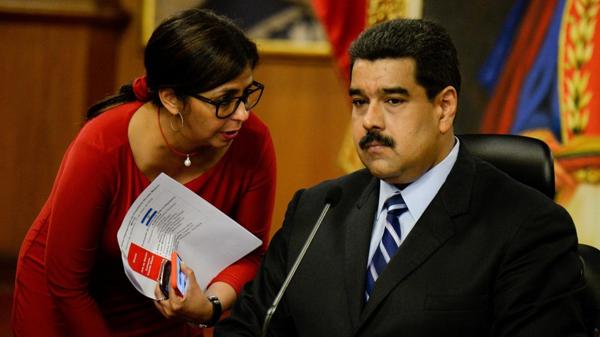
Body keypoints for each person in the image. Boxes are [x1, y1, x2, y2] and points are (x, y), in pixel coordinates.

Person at [213, 18, 586, 336]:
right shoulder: (317, 210)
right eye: (360, 102)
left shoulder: (528, 227)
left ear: (444, 107)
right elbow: (248, 327)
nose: (370, 121)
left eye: (393, 100)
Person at [11, 8, 276, 337]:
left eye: (246, 95)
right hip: (68, 302)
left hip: (159, 308)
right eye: (225, 100)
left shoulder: (252, 143)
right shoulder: (102, 145)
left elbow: (249, 255)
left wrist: (207, 307)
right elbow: (67, 286)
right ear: (171, 99)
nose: (242, 115)